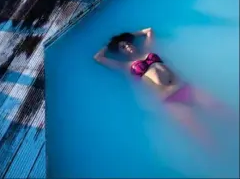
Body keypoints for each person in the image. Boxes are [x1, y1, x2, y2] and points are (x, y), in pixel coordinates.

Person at [94, 28, 232, 147]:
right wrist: (111, 45)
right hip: (171, 101)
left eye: (128, 44)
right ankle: (225, 162)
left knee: (225, 111)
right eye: (123, 47)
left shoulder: (148, 50)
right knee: (203, 136)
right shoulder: (125, 65)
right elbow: (98, 58)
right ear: (121, 53)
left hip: (185, 88)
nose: (128, 46)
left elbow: (148, 31)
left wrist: (125, 37)